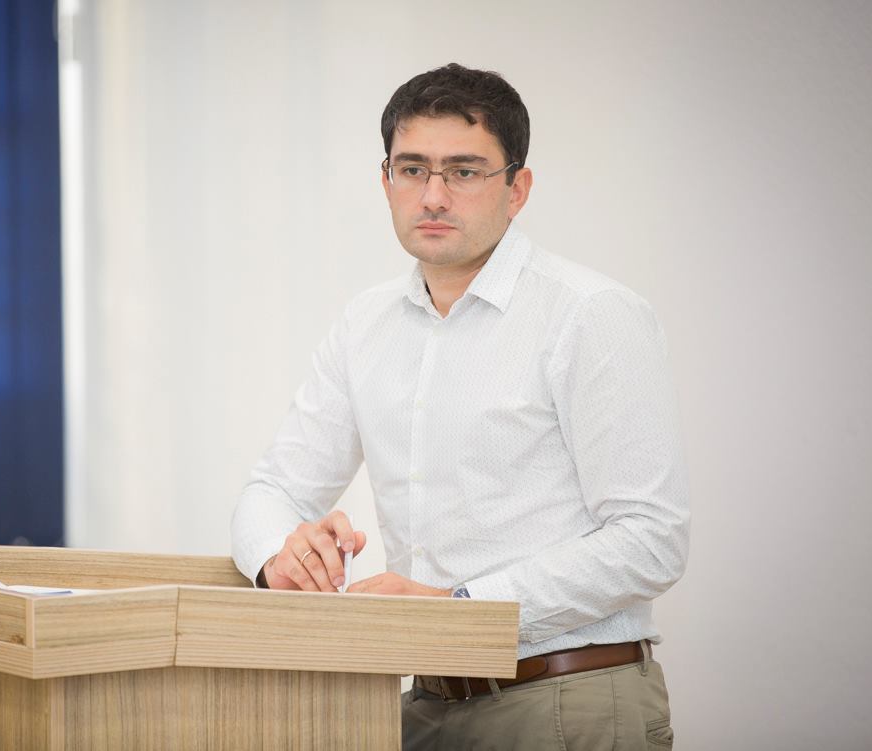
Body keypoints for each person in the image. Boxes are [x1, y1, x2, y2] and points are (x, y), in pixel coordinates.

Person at [231, 62, 688, 750]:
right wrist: (280, 557)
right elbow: (274, 489)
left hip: (566, 699)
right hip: (422, 703)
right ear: (385, 181)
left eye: (464, 171)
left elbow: (650, 539)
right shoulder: (365, 324)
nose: (433, 195)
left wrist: (456, 610)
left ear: (516, 188)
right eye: (412, 169)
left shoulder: (589, 314)